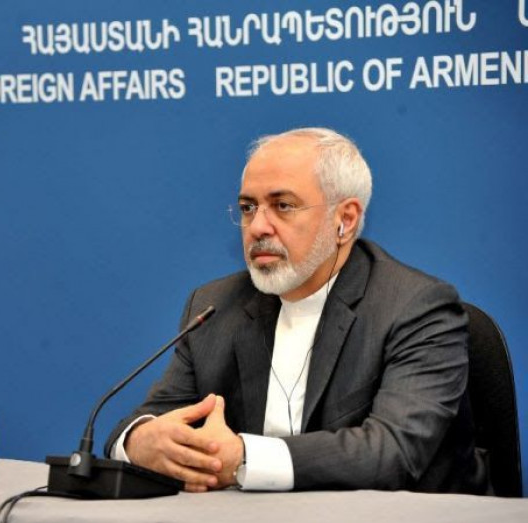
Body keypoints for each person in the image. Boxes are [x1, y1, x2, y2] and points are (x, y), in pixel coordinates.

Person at [105, 127, 488, 494]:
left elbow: (392, 453)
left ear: (345, 220)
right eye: (248, 207)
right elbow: (150, 418)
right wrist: (138, 441)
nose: (257, 227)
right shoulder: (216, 306)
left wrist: (244, 457)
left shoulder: (416, 307)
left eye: (283, 206)